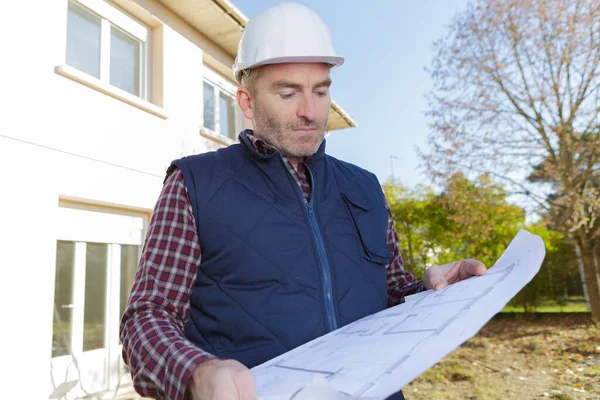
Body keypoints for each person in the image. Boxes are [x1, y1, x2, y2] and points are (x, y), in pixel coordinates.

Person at [119, 3, 486, 400]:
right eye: (288, 92)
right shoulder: (194, 184)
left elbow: (390, 289)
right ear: (246, 101)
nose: (311, 112)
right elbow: (147, 317)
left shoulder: (365, 187)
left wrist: (434, 293)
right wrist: (196, 372)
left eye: (321, 90)